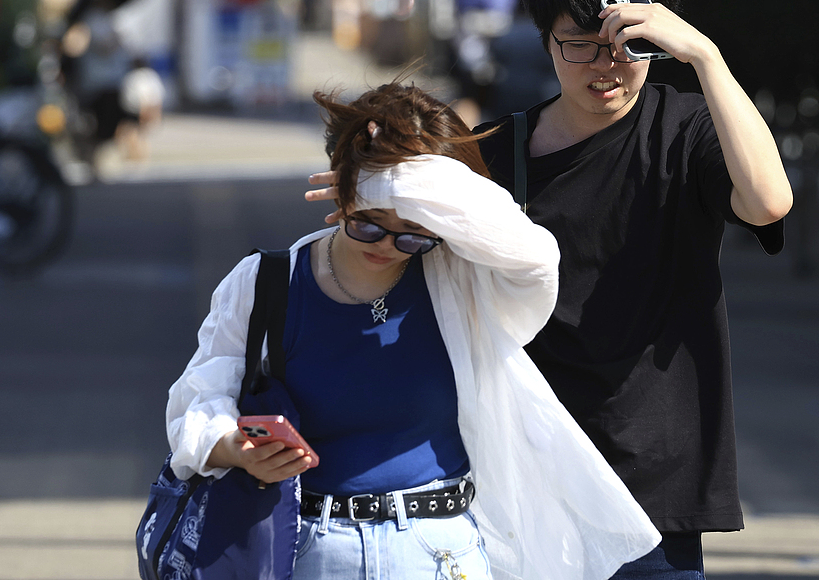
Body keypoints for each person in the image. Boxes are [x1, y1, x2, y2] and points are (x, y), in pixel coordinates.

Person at [168, 80, 661, 580]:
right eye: (369, 221)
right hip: (311, 549)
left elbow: (535, 257)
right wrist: (234, 447)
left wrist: (394, 184)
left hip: (441, 549)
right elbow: (198, 399)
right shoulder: (267, 283)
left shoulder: (460, 277)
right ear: (343, 187)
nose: (386, 243)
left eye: (413, 230)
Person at [470, 0, 794, 580]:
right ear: (545, 40)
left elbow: (767, 201)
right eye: (579, 45)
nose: (606, 66)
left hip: (655, 495)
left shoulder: (686, 131)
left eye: (628, 44)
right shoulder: (493, 156)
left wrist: (705, 55)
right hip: (527, 486)